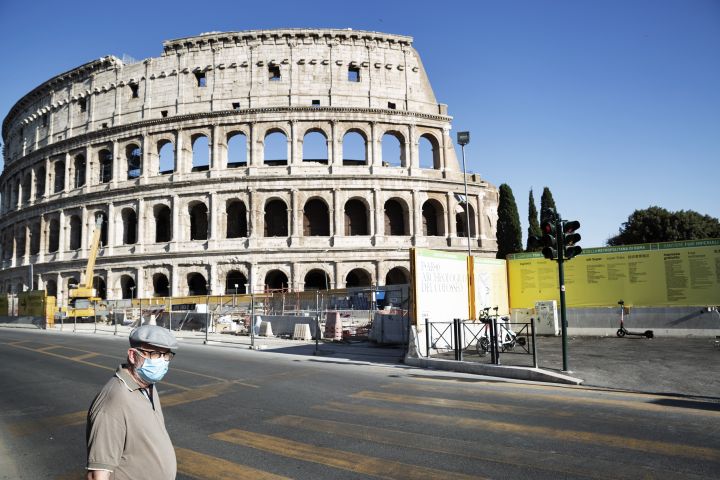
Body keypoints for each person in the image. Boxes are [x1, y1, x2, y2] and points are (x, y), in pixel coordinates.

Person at [86, 325, 178, 479]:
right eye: (155, 354)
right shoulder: (114, 400)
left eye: (166, 355)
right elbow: (98, 474)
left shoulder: (148, 386)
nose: (162, 361)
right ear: (133, 355)